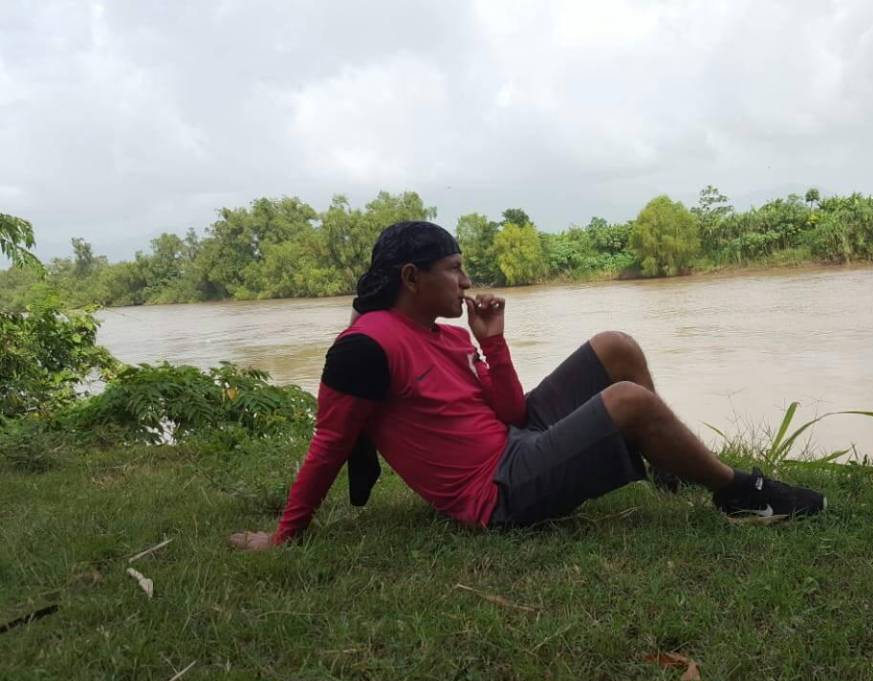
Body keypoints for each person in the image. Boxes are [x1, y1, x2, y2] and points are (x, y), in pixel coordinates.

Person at [229, 221, 825, 551]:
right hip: (495, 491)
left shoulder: (446, 335)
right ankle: (738, 494)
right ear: (411, 278)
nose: (467, 281)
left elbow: (511, 412)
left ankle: (671, 467)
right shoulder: (365, 348)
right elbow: (330, 444)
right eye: (454, 270)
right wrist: (284, 536)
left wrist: (492, 342)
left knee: (616, 345)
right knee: (628, 403)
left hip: (513, 442)